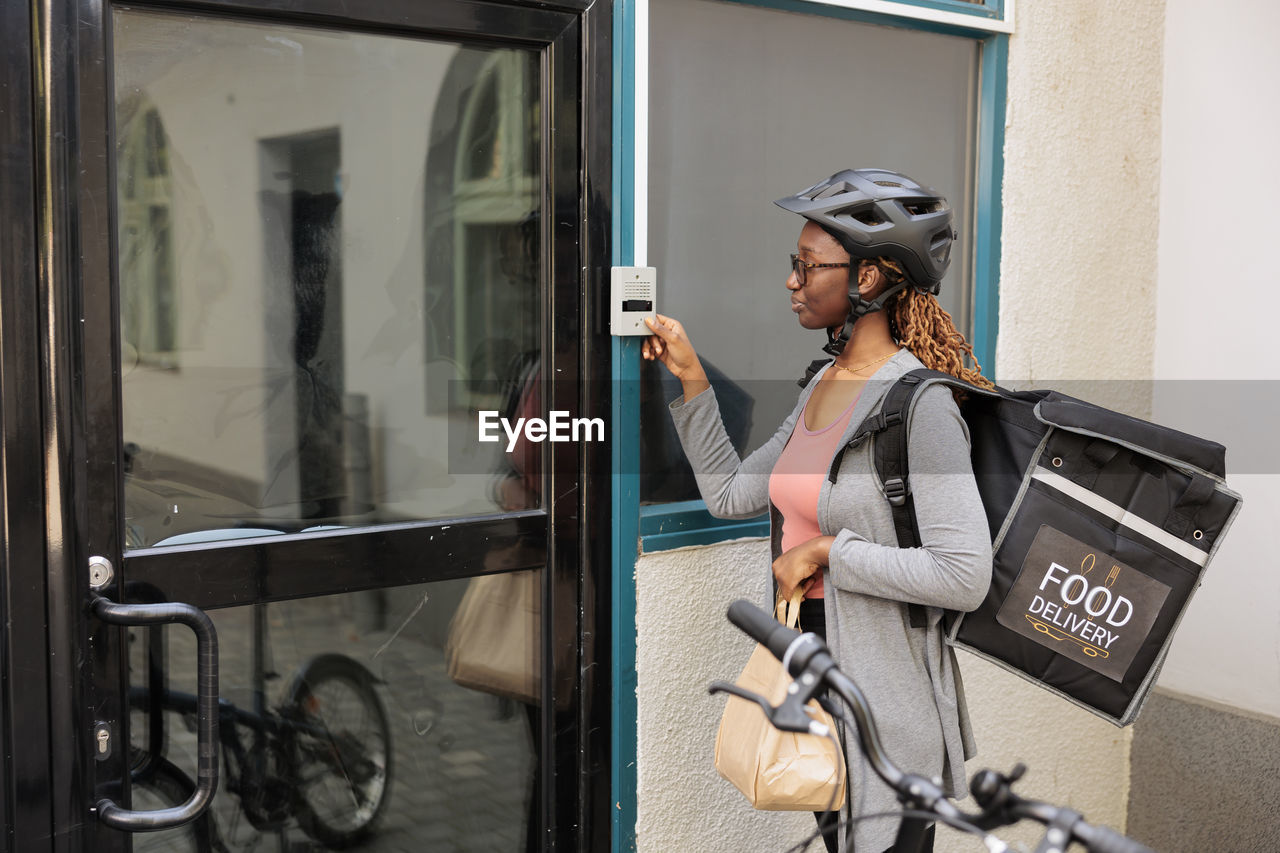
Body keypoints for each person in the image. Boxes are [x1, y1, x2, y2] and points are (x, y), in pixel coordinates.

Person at [642, 169, 994, 853]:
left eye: (807, 266)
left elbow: (964, 573)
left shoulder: (920, 408)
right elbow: (730, 494)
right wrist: (690, 376)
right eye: (792, 265)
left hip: (887, 708)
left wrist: (828, 552)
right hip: (820, 678)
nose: (791, 281)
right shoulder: (821, 387)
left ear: (867, 279)